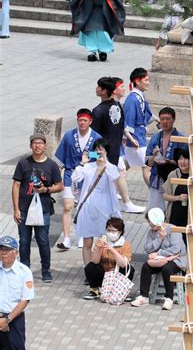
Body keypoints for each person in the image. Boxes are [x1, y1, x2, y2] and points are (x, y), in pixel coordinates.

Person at [12, 133, 64, 283]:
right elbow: (16, 185)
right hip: (24, 208)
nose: (38, 146)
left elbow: (59, 186)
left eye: (40, 143)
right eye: (35, 143)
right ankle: (25, 270)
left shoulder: (51, 165)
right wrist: (16, 208)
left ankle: (46, 270)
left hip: (43, 209)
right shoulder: (23, 163)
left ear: (45, 145)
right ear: (30, 146)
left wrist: (46, 190)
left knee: (43, 241)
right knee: (24, 241)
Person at [54, 108, 101, 251]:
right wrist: (56, 178)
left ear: (90, 121)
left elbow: (101, 155)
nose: (82, 123)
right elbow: (59, 158)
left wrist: (88, 156)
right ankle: (67, 238)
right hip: (70, 174)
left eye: (85, 120)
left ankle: (82, 235)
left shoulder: (96, 137)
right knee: (68, 206)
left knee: (84, 207)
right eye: (80, 120)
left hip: (87, 175)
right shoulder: (69, 136)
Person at [71, 139, 121, 268]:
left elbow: (115, 177)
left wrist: (105, 162)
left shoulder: (110, 167)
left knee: (103, 241)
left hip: (104, 209)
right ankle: (89, 270)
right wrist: (82, 162)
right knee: (87, 242)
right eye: (97, 149)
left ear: (106, 152)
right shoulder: (88, 167)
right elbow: (75, 178)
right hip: (87, 207)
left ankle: (102, 268)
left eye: (102, 149)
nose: (99, 152)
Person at [0, 235, 35, 350]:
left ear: (16, 252)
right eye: (1, 250)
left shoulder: (23, 272)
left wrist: (7, 320)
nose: (3, 253)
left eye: (7, 250)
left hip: (14, 321)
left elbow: (25, 300)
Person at [130, 207, 186, 309]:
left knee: (167, 269)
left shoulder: (173, 229)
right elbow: (147, 248)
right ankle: (144, 296)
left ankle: (169, 298)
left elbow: (175, 249)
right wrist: (159, 239)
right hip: (159, 260)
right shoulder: (152, 232)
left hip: (176, 259)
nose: (150, 225)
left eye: (151, 222)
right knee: (146, 267)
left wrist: (159, 253)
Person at [162, 147, 193, 274]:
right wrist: (177, 198)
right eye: (180, 159)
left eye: (186, 158)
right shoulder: (173, 174)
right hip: (175, 217)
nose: (183, 162)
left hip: (192, 218)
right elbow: (164, 194)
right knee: (175, 246)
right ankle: (175, 277)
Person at [109, 76, 145, 214]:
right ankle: (127, 203)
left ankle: (117, 197)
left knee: (117, 172)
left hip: (116, 145)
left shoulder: (118, 105)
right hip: (111, 146)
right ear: (114, 90)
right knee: (120, 172)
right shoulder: (112, 106)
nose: (124, 89)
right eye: (121, 86)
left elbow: (121, 126)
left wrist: (128, 137)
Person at [145, 107, 187, 211]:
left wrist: (168, 161)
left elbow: (186, 162)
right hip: (157, 177)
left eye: (168, 119)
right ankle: (156, 227)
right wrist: (154, 157)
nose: (165, 122)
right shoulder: (155, 137)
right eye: (162, 119)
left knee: (175, 210)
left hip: (176, 177)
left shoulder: (181, 138)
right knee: (154, 211)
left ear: (174, 119)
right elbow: (148, 163)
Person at [83, 216, 134, 300]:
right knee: (90, 267)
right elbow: (95, 261)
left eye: (114, 231)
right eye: (109, 230)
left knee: (129, 268)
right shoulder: (101, 241)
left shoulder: (126, 244)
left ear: (120, 232)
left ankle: (123, 291)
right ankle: (95, 290)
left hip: (117, 274)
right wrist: (99, 249)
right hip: (104, 273)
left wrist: (112, 250)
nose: (110, 233)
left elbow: (124, 264)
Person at [123, 67, 155, 184]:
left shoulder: (139, 96)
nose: (148, 83)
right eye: (146, 80)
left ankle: (114, 187)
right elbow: (128, 121)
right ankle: (153, 194)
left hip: (138, 136)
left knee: (126, 165)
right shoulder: (133, 99)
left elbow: (148, 114)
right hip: (136, 138)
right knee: (147, 167)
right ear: (137, 81)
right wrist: (129, 138)